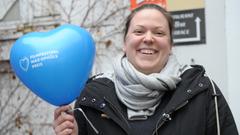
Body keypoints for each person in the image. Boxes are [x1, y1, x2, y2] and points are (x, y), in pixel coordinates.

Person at [53, 4, 239, 135]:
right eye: (139, 31)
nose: (148, 39)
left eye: (159, 33)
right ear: (125, 43)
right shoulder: (92, 96)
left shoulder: (202, 91)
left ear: (171, 44)